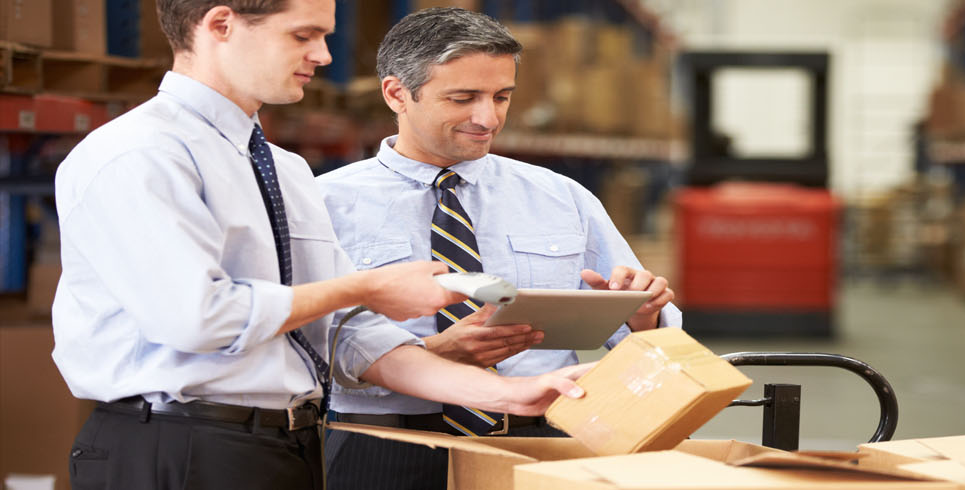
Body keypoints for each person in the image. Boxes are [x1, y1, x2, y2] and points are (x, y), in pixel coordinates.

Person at [51, 2, 589, 489]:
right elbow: (198, 317)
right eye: (303, 36)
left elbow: (351, 331)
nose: (324, 55)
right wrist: (368, 286)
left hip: (285, 446)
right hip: (177, 445)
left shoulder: (284, 170)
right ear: (221, 25)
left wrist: (512, 394)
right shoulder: (139, 155)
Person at [316, 7, 682, 488]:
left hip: (541, 442)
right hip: (381, 446)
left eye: (501, 96)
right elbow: (299, 345)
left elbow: (645, 339)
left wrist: (643, 316)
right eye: (463, 98)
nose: (487, 118)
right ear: (397, 94)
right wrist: (431, 352)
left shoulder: (561, 197)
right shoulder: (323, 204)